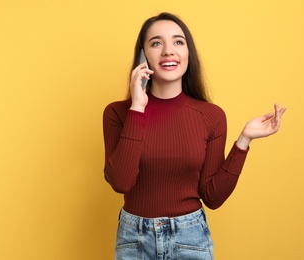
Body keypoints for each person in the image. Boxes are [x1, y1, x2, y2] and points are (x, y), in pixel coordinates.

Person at [102, 12, 286, 260]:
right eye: (157, 43)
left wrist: (244, 140)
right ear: (143, 56)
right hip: (134, 241)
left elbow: (212, 196)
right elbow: (121, 182)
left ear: (189, 53)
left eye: (178, 42)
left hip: (190, 239)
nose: (168, 51)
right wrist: (137, 107)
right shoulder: (118, 113)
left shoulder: (211, 116)